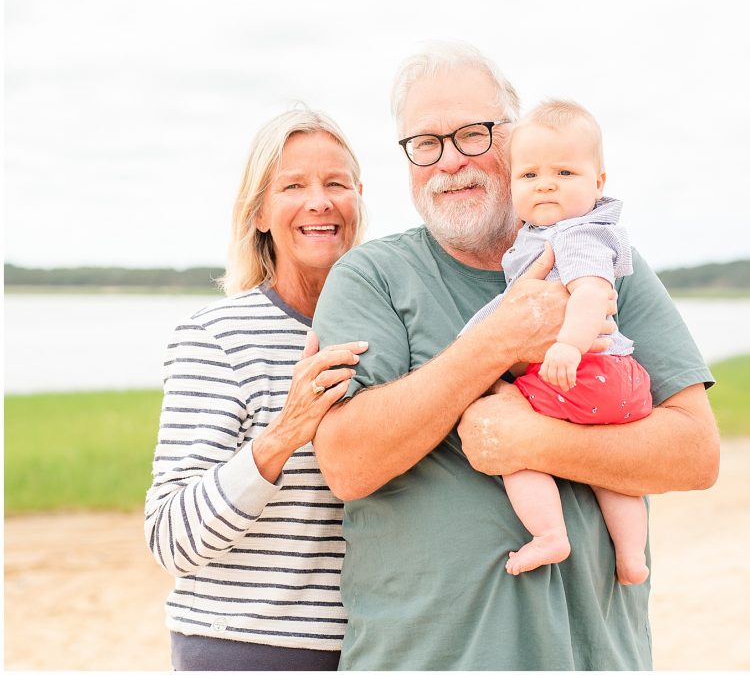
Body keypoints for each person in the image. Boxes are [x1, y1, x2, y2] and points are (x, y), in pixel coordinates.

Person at [312, 42, 719, 671]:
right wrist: (494, 342)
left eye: (473, 135)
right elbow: (347, 464)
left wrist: (535, 442)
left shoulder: (606, 262)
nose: (449, 163)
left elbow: (696, 454)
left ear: (516, 140)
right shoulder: (371, 277)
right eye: (425, 144)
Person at [144, 108, 369, 671]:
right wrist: (284, 433)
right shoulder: (216, 336)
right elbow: (171, 537)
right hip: (240, 647)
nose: (320, 201)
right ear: (261, 212)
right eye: (293, 185)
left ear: (358, 200)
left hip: (369, 650)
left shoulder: (385, 335)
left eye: (335, 183)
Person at [460, 99, 652, 583]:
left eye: (564, 172)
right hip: (620, 379)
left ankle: (549, 534)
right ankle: (631, 556)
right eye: (529, 176)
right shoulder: (563, 232)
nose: (545, 184)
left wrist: (567, 345)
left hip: (583, 370)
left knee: (509, 440)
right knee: (613, 472)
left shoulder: (575, 235)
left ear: (598, 183)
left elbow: (592, 292)